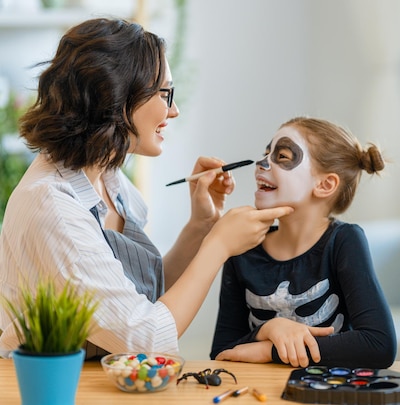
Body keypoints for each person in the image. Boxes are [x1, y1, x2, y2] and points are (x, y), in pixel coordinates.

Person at [0, 18, 292, 359]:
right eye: (165, 93)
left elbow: (135, 300)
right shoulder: (52, 207)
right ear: (115, 95)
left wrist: (201, 227)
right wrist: (219, 245)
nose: (174, 110)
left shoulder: (111, 180)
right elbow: (145, 337)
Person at [210, 117, 397, 369]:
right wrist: (270, 328)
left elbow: (379, 345)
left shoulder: (344, 241)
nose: (261, 163)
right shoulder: (243, 247)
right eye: (266, 153)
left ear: (324, 184)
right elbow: (222, 353)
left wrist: (270, 350)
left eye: (283, 156)